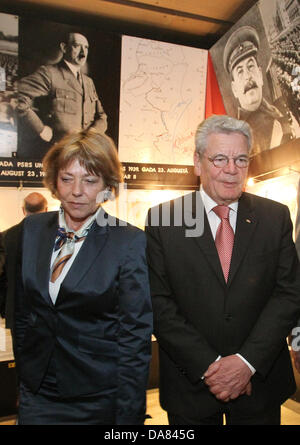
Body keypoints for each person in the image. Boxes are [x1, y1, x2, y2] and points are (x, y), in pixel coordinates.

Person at [145, 114, 300, 425]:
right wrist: (211, 366)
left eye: (240, 159)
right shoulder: (164, 220)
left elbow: (288, 294)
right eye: (219, 159)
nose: (231, 170)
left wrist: (246, 363)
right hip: (192, 388)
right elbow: (158, 305)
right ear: (198, 163)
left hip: (260, 386)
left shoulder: (275, 217)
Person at [14, 129, 152, 425]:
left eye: (90, 180)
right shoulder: (32, 229)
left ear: (107, 186)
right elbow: (24, 311)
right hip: (37, 394)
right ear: (54, 181)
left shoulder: (127, 241)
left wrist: (129, 415)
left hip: (97, 398)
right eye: (67, 178)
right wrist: (26, 378)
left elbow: (134, 337)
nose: (77, 191)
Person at [16, 32, 107, 159]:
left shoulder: (88, 82)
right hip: (58, 154)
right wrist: (41, 129)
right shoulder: (50, 74)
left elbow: (102, 116)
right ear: (64, 48)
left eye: (86, 47)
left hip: (85, 156)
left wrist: (91, 135)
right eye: (77, 46)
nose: (83, 52)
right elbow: (17, 97)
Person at [223, 26, 294, 155]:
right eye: (240, 72)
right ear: (234, 89)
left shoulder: (279, 114)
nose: (248, 76)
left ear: (260, 75)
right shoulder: (235, 138)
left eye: (250, 66)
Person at [0, 192, 48, 331]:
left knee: (21, 352)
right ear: (45, 210)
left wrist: (5, 306)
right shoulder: (60, 235)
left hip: (17, 312)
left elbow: (1, 276)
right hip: (50, 313)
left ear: (23, 210)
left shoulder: (6, 237)